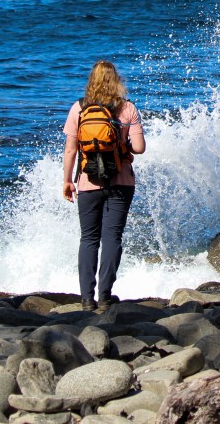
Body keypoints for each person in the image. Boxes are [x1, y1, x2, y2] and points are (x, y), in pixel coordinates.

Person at [62, 60, 146, 311]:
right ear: (116, 80)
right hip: (121, 181)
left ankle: (86, 299)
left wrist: (67, 181)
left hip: (88, 182)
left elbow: (70, 150)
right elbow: (140, 148)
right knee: (112, 238)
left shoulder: (79, 108)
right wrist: (123, 145)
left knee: (89, 239)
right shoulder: (127, 108)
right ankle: (105, 296)